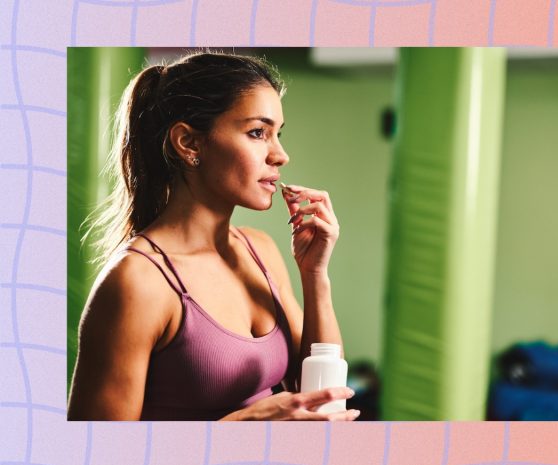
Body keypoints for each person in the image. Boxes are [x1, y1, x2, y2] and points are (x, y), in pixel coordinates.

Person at [67, 51, 359, 421]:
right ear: (189, 143)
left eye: (277, 134)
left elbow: (320, 393)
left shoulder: (260, 250)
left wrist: (315, 275)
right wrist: (240, 429)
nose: (280, 155)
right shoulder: (137, 282)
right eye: (257, 133)